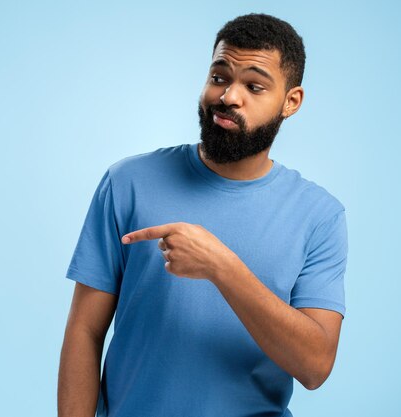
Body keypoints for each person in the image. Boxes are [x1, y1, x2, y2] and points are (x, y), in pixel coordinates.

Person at [58, 13, 348, 417]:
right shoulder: (128, 182)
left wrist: (221, 267)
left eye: (254, 86)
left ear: (291, 101)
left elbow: (315, 367)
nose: (229, 96)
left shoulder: (320, 216)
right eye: (219, 77)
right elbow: (84, 332)